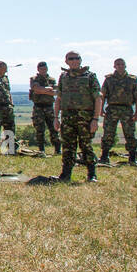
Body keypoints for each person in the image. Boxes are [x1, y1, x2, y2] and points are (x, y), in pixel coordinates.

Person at [54, 51, 101, 182]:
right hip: (67, 118)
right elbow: (59, 98)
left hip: (85, 118)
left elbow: (98, 99)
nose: (74, 60)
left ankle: (92, 174)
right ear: (66, 61)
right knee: (68, 146)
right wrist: (55, 118)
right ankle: (65, 175)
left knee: (86, 146)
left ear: (80, 60)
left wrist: (95, 119)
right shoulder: (63, 77)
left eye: (77, 58)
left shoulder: (90, 76)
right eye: (71, 58)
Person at [99, 58, 137, 166]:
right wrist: (101, 108)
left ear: (125, 65)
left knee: (130, 133)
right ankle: (104, 156)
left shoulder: (132, 79)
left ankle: (132, 157)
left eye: (122, 64)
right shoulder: (109, 79)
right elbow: (103, 95)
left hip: (127, 109)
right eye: (118, 64)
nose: (120, 66)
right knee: (108, 133)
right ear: (114, 66)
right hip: (112, 109)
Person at [28, 61, 61, 154]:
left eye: (45, 68)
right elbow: (37, 89)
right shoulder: (34, 79)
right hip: (38, 107)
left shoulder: (51, 79)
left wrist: (43, 90)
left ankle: (57, 149)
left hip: (49, 107)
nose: (43, 70)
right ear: (38, 69)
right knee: (39, 129)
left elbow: (55, 92)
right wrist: (48, 89)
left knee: (54, 128)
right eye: (41, 69)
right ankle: (41, 150)